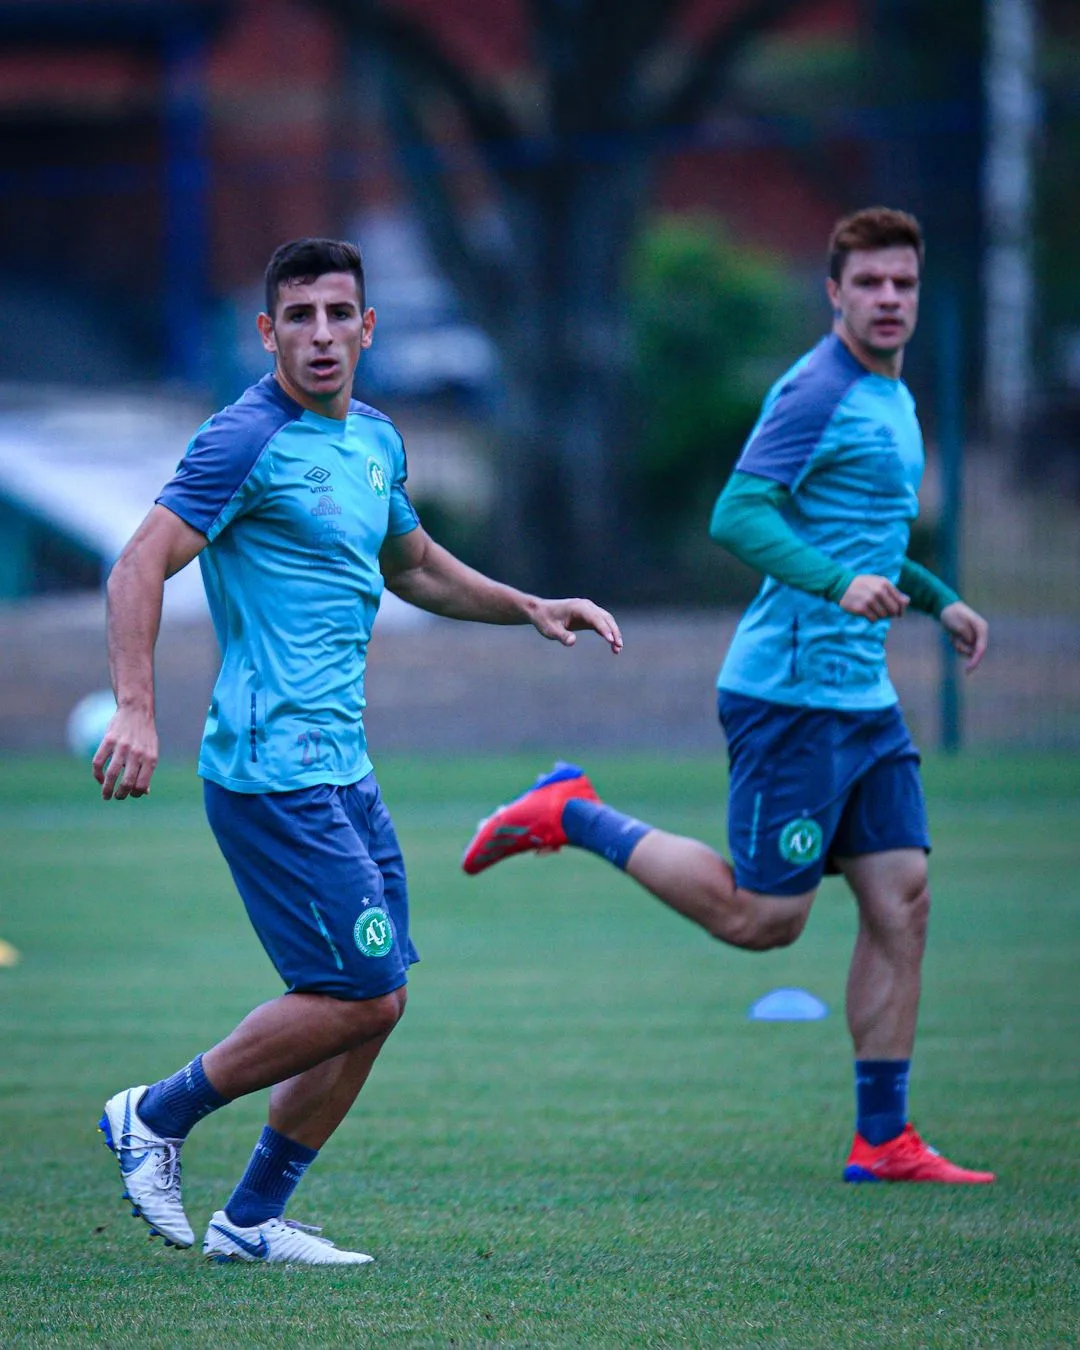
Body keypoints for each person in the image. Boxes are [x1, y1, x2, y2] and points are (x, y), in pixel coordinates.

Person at [95, 236, 623, 1265]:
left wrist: (528, 607)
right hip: (268, 773)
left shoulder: (376, 440)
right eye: (301, 317)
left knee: (374, 1007)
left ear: (369, 326)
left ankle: (249, 1221)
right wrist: (134, 707)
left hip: (343, 769)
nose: (323, 334)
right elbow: (139, 561)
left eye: (341, 314)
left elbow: (413, 565)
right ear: (269, 332)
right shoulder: (243, 437)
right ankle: (152, 1115)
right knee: (362, 992)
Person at [462, 207, 995, 1185]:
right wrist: (838, 586)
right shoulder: (818, 390)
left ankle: (883, 1140)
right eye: (868, 284)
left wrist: (937, 599)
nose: (888, 300)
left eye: (903, 285)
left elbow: (867, 538)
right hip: (788, 697)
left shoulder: (895, 395)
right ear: (833, 292)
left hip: (863, 698)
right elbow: (737, 513)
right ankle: (573, 813)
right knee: (765, 921)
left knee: (903, 900)